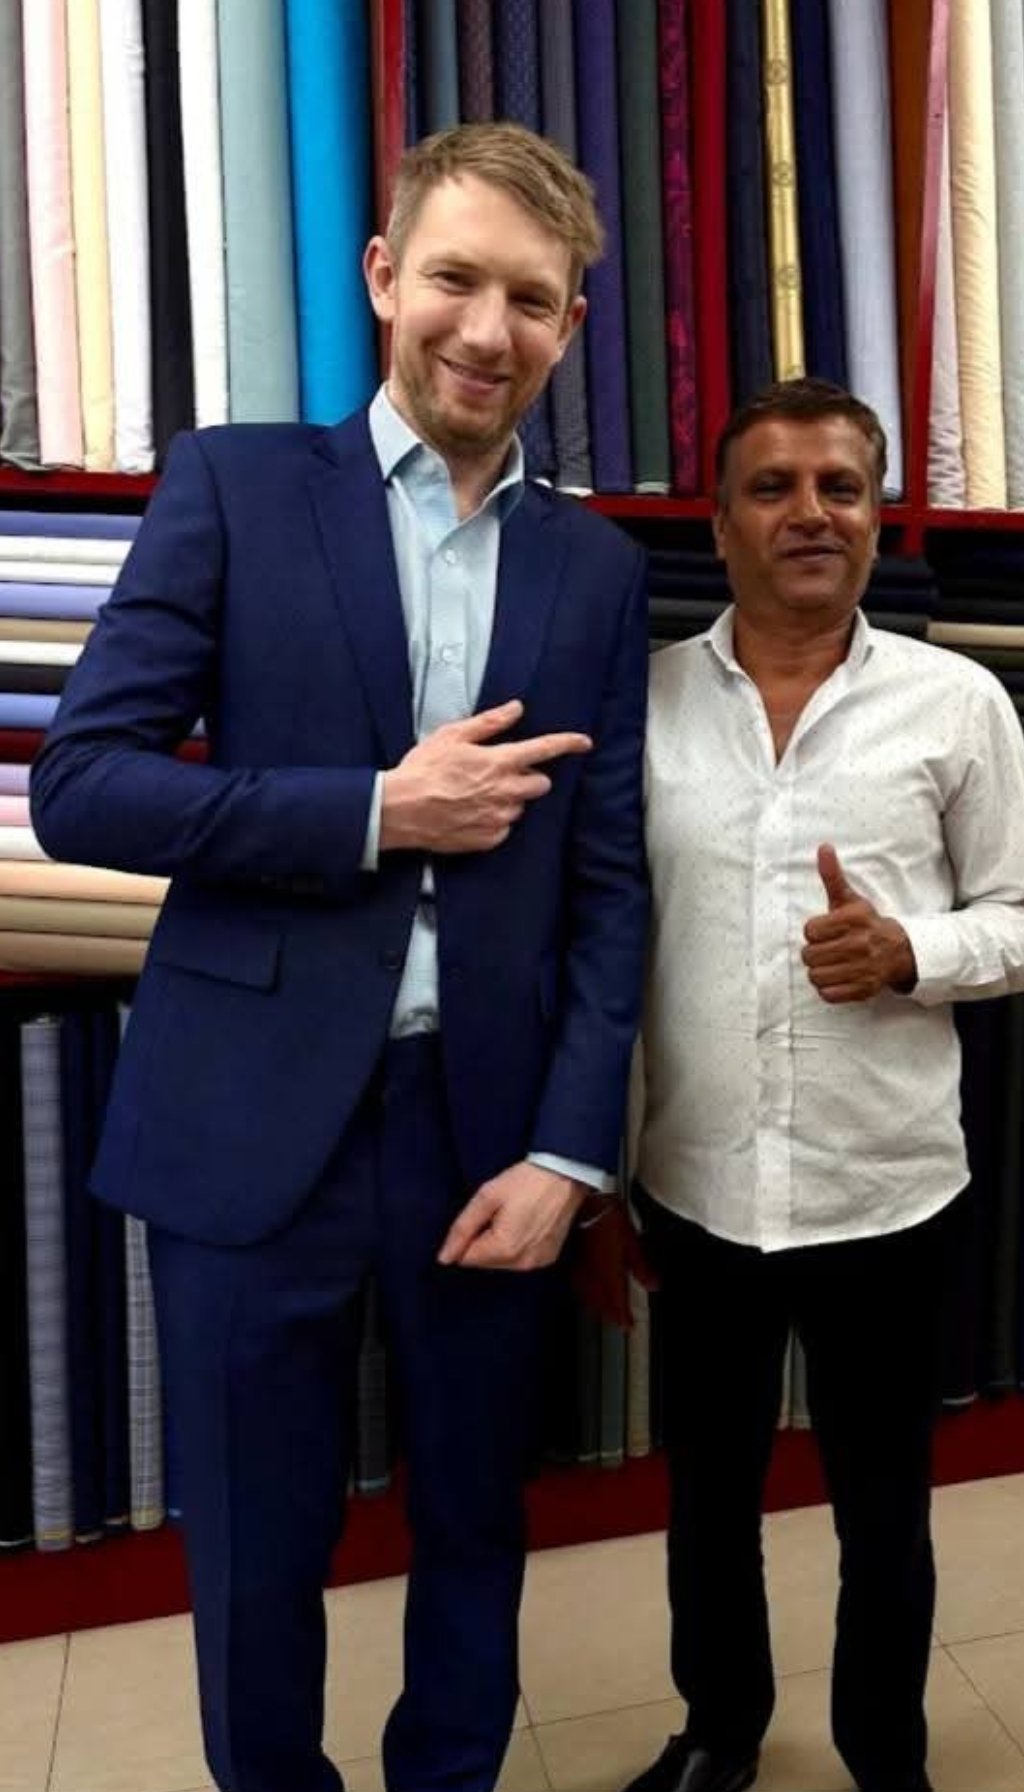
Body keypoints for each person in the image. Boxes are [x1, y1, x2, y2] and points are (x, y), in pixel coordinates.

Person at [30, 123, 649, 1792]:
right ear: (383, 277)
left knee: (477, 1523)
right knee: (255, 1545)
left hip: (485, 1133)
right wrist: (375, 811)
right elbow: (84, 786)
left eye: (531, 298)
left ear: (572, 323)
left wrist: (571, 1153)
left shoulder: (597, 567)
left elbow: (610, 890)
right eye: (454, 278)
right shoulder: (233, 487)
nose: (486, 330)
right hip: (248, 1122)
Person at [606, 378, 1024, 1792]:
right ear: (720, 525)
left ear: (874, 517)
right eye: (773, 487)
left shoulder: (957, 707)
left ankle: (884, 1754)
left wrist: (914, 950)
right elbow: (606, 949)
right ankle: (720, 1731)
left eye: (840, 487)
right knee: (707, 1499)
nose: (810, 514)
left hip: (885, 1187)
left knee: (884, 1509)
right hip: (699, 1185)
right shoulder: (647, 706)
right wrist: (598, 1170)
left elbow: (1019, 915)